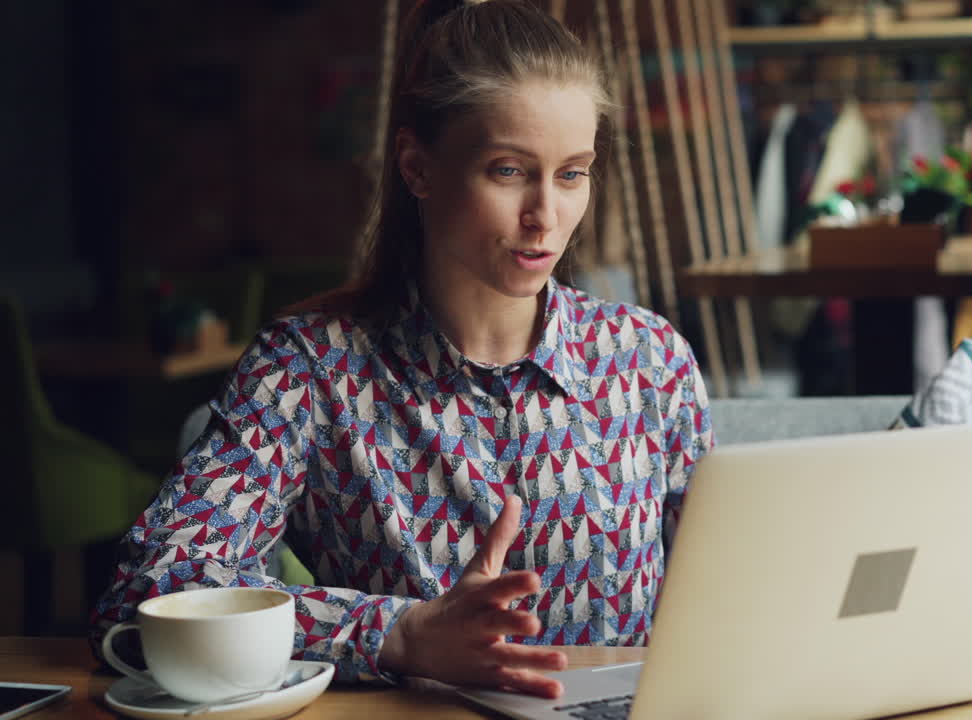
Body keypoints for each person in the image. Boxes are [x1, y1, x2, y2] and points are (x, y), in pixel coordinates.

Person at [91, 0, 713, 700]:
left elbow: (730, 600)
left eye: (572, 173)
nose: (547, 214)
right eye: (508, 171)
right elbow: (151, 589)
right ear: (417, 167)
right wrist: (398, 632)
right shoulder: (310, 369)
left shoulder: (650, 362)